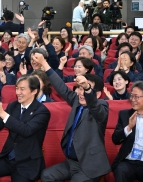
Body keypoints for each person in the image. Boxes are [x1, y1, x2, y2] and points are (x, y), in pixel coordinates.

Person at [35, 52, 111, 181]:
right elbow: (61, 87)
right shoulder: (77, 101)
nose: (81, 93)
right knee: (47, 175)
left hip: (90, 165)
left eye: (85, 89)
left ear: (97, 94)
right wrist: (44, 63)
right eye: (80, 88)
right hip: (71, 162)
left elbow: (94, 105)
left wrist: (87, 87)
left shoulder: (101, 107)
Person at [0, 74, 51, 181]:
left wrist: (2, 113)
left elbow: (26, 130)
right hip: (8, 158)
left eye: (22, 89)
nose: (18, 92)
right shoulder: (13, 106)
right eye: (17, 88)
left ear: (34, 91)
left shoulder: (42, 111)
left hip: (27, 162)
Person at [112, 81, 143, 182]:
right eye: (131, 96)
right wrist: (129, 127)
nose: (132, 100)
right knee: (121, 170)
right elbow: (115, 140)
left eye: (136, 97)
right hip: (128, 161)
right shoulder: (124, 114)